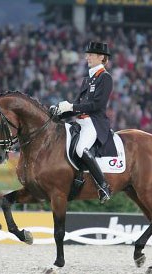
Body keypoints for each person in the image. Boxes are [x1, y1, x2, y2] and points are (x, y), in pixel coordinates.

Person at [55, 41, 113, 204]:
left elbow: (97, 105)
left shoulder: (105, 78)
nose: (87, 57)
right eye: (87, 54)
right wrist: (60, 112)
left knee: (81, 149)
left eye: (91, 54)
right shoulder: (87, 79)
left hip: (94, 123)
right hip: (80, 122)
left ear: (101, 57)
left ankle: (103, 186)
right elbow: (77, 105)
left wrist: (72, 106)